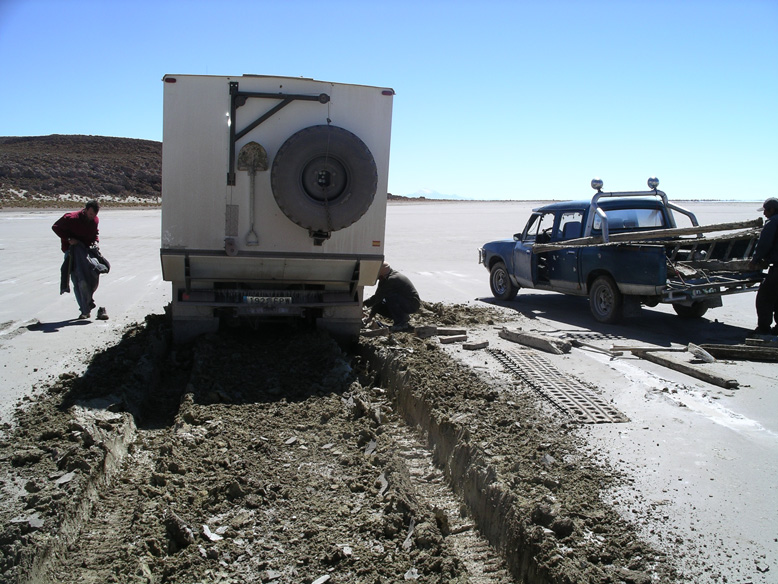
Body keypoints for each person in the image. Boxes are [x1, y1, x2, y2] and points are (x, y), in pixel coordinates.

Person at [52, 200, 109, 320]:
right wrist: (68, 239)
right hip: (72, 253)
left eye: (95, 215)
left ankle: (87, 303)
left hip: (87, 252)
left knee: (92, 276)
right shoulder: (71, 218)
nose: (92, 217)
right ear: (86, 210)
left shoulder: (95, 220)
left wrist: (95, 241)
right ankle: (84, 310)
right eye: (91, 214)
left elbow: (95, 233)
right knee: (78, 281)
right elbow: (55, 227)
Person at [748, 197, 778, 336]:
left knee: (764, 297)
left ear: (772, 210)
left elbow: (764, 244)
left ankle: (764, 328)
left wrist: (755, 260)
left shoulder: (773, 222)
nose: (764, 213)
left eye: (765, 210)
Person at [364, 262, 421, 332]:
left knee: (390, 296)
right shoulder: (384, 279)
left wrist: (363, 304)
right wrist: (371, 316)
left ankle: (401, 323)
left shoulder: (392, 279)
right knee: (380, 306)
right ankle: (403, 317)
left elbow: (378, 297)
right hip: (403, 302)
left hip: (412, 304)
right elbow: (377, 299)